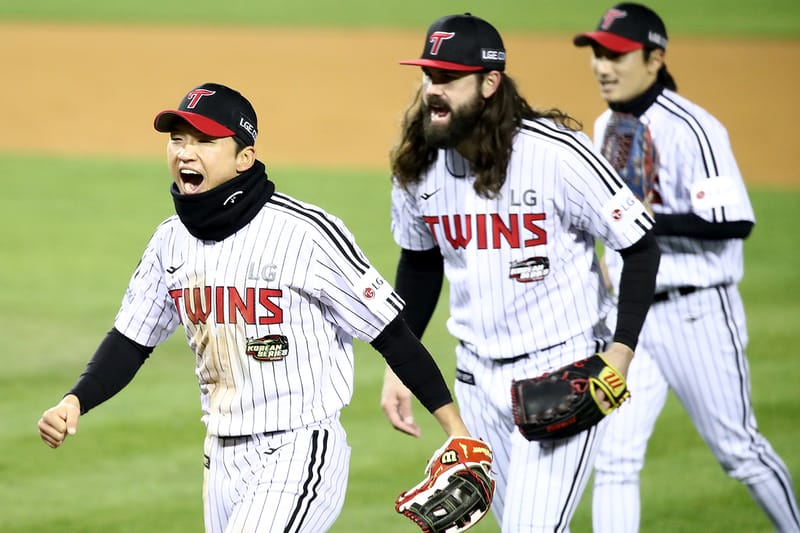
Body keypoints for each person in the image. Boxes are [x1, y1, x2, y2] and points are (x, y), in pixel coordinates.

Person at [37, 82, 482, 533]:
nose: (185, 153)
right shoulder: (169, 241)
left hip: (300, 450)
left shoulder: (305, 233)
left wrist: (456, 429)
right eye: (177, 139)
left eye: (205, 141)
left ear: (244, 158)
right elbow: (132, 340)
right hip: (221, 456)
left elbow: (391, 333)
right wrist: (76, 400)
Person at [380, 13, 661, 532]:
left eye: (448, 79)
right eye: (428, 77)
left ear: (489, 83)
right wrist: (402, 363)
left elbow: (640, 243)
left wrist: (619, 355)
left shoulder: (555, 154)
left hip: (563, 373)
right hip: (475, 384)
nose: (432, 91)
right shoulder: (419, 166)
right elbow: (419, 264)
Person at [572, 4, 800, 532]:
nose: (604, 66)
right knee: (615, 459)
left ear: (655, 58)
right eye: (599, 54)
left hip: (697, 312)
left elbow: (731, 221)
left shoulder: (694, 127)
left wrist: (643, 219)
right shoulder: (606, 125)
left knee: (738, 450)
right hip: (633, 325)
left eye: (617, 55)